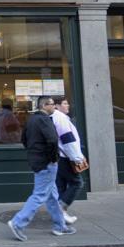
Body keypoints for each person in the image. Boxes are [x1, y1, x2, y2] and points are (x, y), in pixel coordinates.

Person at [7, 96, 70, 241]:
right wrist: (52, 158)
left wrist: (34, 153)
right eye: (53, 104)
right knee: (40, 195)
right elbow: (53, 140)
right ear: (44, 106)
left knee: (52, 195)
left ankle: (60, 226)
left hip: (37, 161)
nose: (54, 107)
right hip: (46, 163)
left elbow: (24, 139)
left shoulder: (31, 120)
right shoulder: (44, 120)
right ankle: (17, 223)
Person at [52, 96, 84, 228]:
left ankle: (60, 216)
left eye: (67, 103)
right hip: (65, 158)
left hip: (58, 157)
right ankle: (61, 209)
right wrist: (77, 157)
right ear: (57, 106)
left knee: (60, 185)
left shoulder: (55, 117)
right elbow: (68, 139)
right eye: (65, 103)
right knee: (77, 183)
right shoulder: (60, 118)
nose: (68, 106)